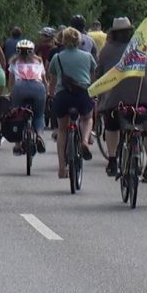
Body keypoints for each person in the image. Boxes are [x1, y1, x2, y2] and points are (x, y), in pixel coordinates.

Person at [96, 17, 147, 183]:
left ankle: (112, 160)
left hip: (116, 100)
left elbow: (98, 75)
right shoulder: (144, 48)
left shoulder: (106, 51)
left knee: (111, 121)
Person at [48, 27, 97, 179]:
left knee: (62, 130)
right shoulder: (88, 56)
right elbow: (93, 77)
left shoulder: (57, 57)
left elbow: (52, 80)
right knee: (87, 118)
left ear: (63, 40)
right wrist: (93, 93)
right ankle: (84, 140)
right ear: (79, 40)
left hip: (63, 95)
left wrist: (51, 95)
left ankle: (62, 168)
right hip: (82, 93)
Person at [8, 39, 48, 155]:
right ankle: (39, 136)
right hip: (37, 87)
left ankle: (17, 144)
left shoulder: (14, 62)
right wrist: (47, 93)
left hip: (20, 87)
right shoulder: (39, 61)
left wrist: (11, 93)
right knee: (39, 115)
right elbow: (45, 81)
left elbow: (11, 82)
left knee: (17, 114)